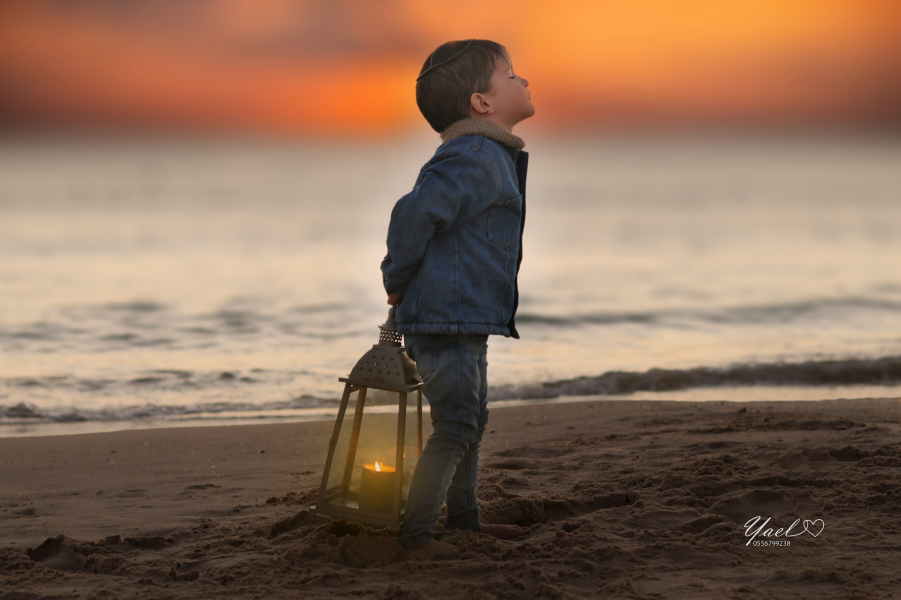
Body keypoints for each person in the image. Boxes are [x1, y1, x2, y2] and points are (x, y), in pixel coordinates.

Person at [380, 39, 535, 554]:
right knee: (455, 426)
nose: (524, 81)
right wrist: (395, 280)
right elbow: (413, 215)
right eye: (511, 74)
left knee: (471, 421)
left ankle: (464, 522)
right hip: (445, 319)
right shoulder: (473, 155)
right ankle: (418, 535)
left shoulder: (489, 154)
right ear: (482, 103)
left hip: (464, 316)